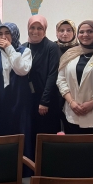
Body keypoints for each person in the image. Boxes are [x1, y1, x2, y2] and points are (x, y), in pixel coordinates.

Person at [56, 20, 93, 134]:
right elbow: (61, 80)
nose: (85, 35)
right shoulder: (70, 54)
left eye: (90, 31)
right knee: (73, 145)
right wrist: (72, 102)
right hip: (72, 114)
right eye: (81, 32)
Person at [25, 15, 62, 152]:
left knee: (46, 138)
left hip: (46, 101)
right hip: (29, 101)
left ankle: (46, 165)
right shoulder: (24, 47)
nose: (35, 31)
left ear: (45, 30)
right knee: (31, 135)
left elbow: (53, 74)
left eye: (39, 28)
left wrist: (44, 101)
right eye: (32, 28)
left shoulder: (51, 47)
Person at [0, 23, 32, 136]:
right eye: (0, 34)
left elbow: (22, 70)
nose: (3, 37)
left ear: (14, 34)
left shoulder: (25, 51)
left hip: (19, 98)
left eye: (7, 33)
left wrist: (9, 48)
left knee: (19, 130)